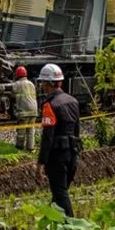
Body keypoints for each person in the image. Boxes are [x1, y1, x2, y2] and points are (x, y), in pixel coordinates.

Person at [35, 63, 81, 217]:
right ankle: (50, 223)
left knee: (60, 194)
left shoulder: (50, 105)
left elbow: (47, 137)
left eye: (42, 82)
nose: (41, 85)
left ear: (48, 84)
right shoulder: (73, 101)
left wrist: (40, 163)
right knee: (60, 194)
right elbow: (77, 130)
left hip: (57, 156)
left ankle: (71, 225)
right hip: (72, 153)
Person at [12, 66, 39, 151]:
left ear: (17, 74)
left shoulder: (17, 84)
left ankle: (19, 147)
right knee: (31, 131)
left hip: (24, 112)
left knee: (21, 131)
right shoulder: (31, 84)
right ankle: (30, 148)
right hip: (34, 111)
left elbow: (12, 93)